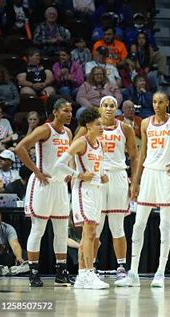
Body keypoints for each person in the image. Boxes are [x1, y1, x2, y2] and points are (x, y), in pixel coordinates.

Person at [115, 91, 170, 288]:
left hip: (166, 175)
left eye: (161, 102)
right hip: (148, 173)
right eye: (154, 101)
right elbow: (142, 153)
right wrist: (135, 182)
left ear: (168, 103)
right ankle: (133, 272)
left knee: (164, 226)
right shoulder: (146, 123)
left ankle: (160, 272)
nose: (157, 105)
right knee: (138, 224)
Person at [74, 96, 139, 280]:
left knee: (117, 226)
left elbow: (134, 156)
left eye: (112, 106)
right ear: (100, 108)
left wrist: (134, 182)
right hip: (97, 177)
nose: (109, 108)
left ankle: (121, 267)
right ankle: (89, 268)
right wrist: (76, 174)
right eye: (105, 105)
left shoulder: (125, 128)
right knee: (96, 226)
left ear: (117, 109)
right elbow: (73, 149)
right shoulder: (89, 126)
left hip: (118, 175)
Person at [14, 98, 74, 287]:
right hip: (43, 185)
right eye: (65, 110)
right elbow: (19, 148)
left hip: (60, 186)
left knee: (62, 231)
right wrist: (36, 171)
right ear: (56, 112)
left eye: (71, 111)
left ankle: (61, 272)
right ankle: (33, 272)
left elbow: (70, 156)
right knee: (38, 229)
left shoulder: (69, 132)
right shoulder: (44, 129)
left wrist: (70, 172)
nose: (69, 114)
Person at [54, 107, 109, 289]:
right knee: (90, 233)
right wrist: (77, 174)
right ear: (88, 125)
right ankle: (88, 274)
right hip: (83, 191)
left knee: (93, 237)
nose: (101, 127)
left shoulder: (99, 144)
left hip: (97, 190)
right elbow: (59, 164)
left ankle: (81, 276)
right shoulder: (81, 142)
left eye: (102, 124)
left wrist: (103, 174)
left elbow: (97, 166)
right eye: (98, 124)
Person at [0, 210, 27, 276]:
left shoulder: (8, 228)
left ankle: (15, 269)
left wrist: (19, 257)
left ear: (1, 218)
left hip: (4, 258)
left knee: (24, 253)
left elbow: (15, 244)